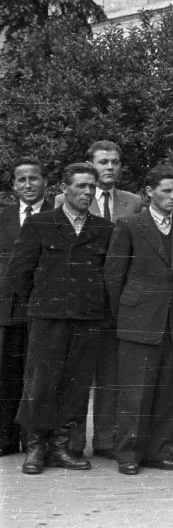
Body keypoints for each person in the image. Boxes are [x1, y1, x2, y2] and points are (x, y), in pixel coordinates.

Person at [5, 163, 114, 475]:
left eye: (91, 187)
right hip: (47, 318)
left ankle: (60, 447)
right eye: (80, 186)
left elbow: (108, 276)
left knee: (76, 384)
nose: (87, 193)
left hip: (86, 318)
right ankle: (36, 447)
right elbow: (18, 273)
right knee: (40, 383)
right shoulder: (41, 224)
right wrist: (42, 303)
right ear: (64, 189)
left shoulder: (103, 228)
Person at [105, 165, 173, 475]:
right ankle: (128, 453)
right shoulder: (130, 225)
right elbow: (114, 276)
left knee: (169, 392)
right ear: (149, 192)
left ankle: (160, 451)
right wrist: (127, 318)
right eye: (168, 191)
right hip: (139, 321)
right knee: (136, 392)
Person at [65, 141, 141, 459]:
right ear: (90, 164)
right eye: (103, 161)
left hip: (115, 303)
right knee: (78, 374)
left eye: (115, 162)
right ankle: (71, 441)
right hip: (79, 300)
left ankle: (106, 440)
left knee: (111, 374)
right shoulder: (67, 199)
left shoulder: (133, 202)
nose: (109, 167)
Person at [0, 157, 52, 456]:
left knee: (38, 377)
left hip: (43, 308)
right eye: (22, 180)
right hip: (8, 310)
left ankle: (36, 441)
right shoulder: (4, 216)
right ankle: (6, 438)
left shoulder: (56, 214)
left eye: (34, 178)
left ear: (45, 181)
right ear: (14, 186)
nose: (28, 185)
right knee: (7, 375)